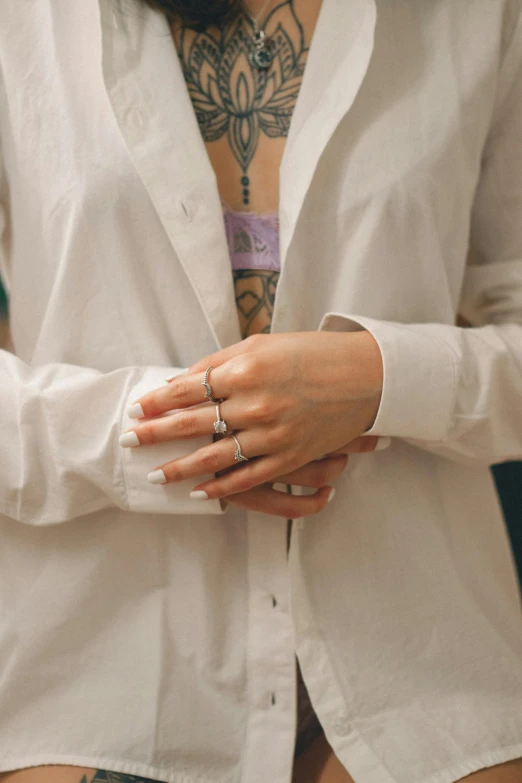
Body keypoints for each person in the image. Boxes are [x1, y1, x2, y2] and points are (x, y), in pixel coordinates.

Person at [0, 0, 521, 781]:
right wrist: (166, 436)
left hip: (424, 668)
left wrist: (381, 377)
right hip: (107, 679)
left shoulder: (482, 16)